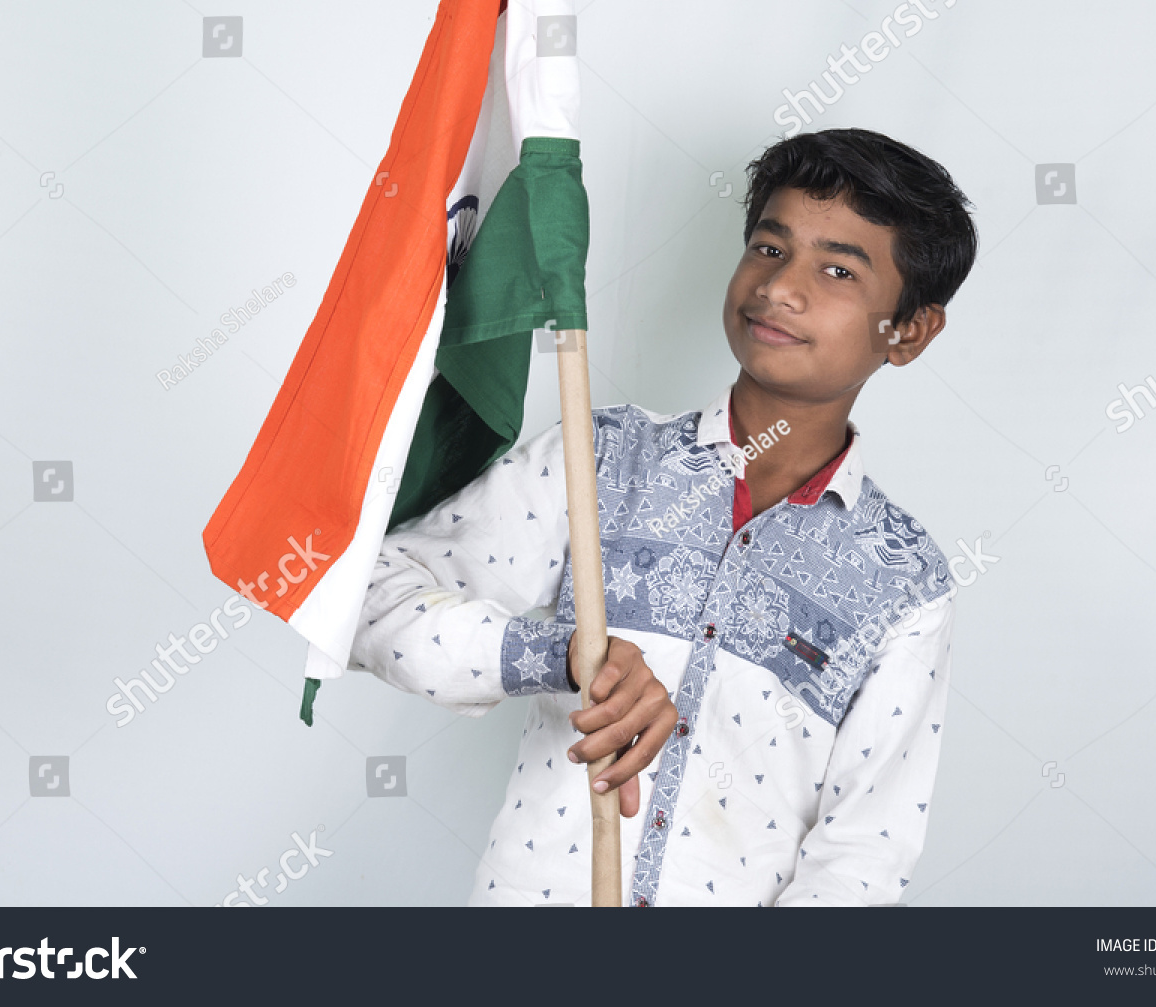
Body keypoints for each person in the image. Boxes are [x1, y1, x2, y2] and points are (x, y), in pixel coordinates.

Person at [349, 126, 979, 906]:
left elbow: (862, 856)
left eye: (839, 269)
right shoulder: (600, 457)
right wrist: (562, 653)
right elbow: (364, 597)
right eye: (770, 248)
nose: (780, 287)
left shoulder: (906, 581)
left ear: (909, 330)